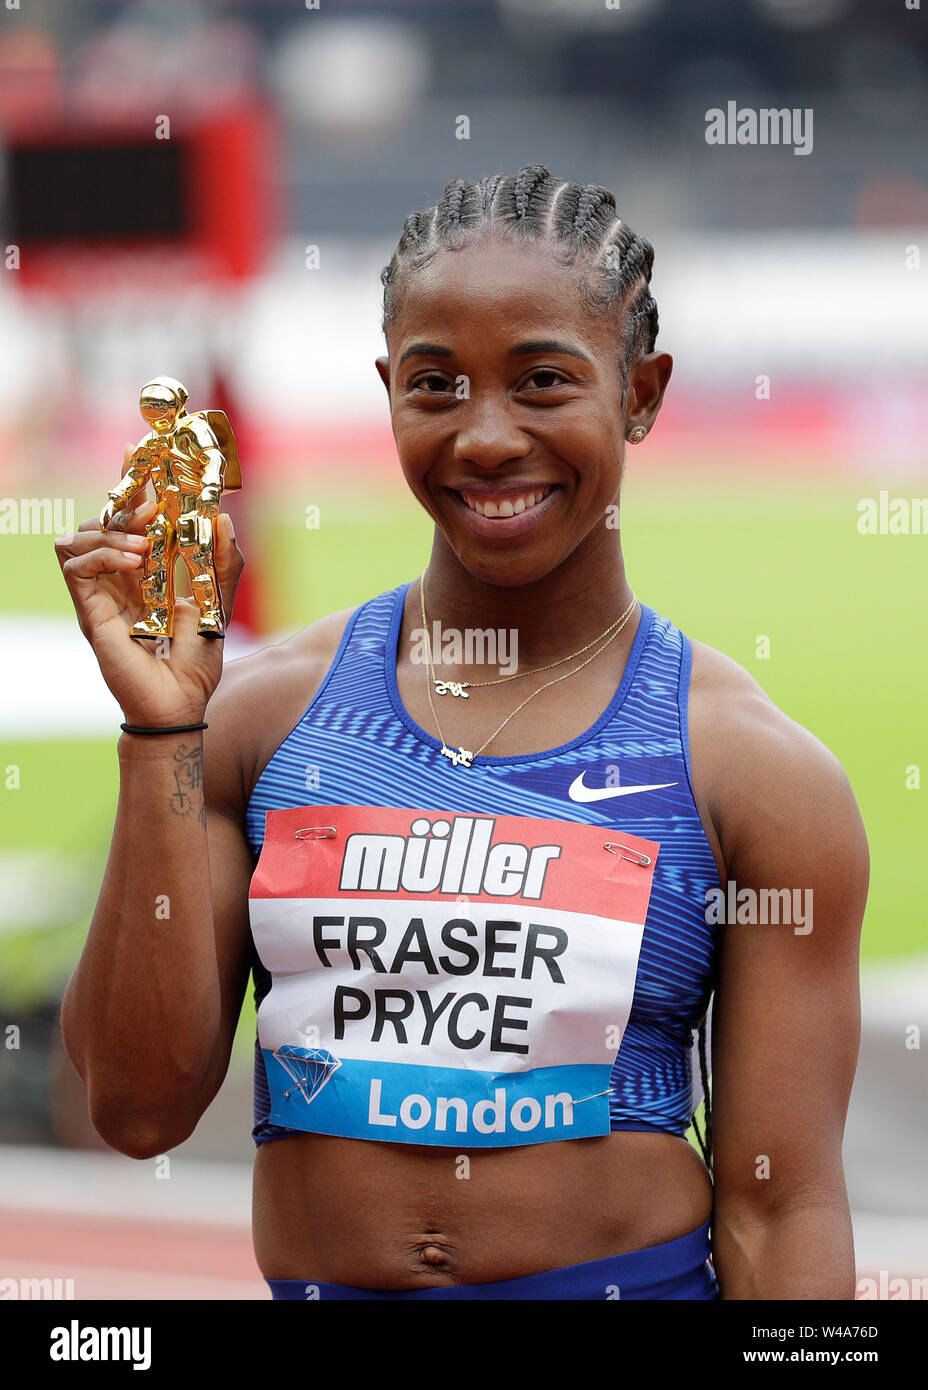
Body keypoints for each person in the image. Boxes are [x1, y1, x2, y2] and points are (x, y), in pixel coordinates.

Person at [55, 165, 868, 1300]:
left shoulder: (754, 771)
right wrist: (162, 731)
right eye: (436, 385)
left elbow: (783, 1210)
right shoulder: (257, 716)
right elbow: (136, 1109)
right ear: (389, 390)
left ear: (641, 391)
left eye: (542, 381)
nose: (487, 438)